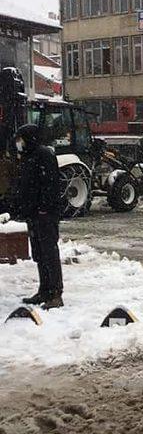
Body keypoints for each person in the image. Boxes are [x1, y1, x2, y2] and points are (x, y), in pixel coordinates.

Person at [14, 124, 64, 309]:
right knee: (39, 253)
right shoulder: (28, 156)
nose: (19, 143)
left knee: (49, 252)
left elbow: (50, 184)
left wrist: (44, 207)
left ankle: (55, 293)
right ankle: (44, 290)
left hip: (45, 213)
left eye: (21, 138)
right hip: (33, 213)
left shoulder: (44, 154)